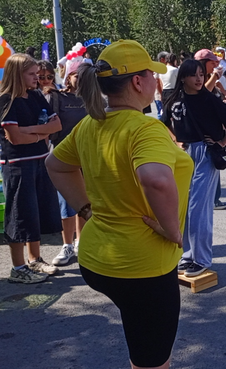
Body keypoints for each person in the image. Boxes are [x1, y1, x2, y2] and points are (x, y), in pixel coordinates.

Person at [46, 40, 191, 369]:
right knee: (152, 362)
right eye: (151, 74)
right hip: (143, 265)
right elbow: (155, 179)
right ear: (138, 82)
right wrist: (172, 230)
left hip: (99, 258)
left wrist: (85, 209)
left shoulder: (90, 124)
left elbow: (55, 165)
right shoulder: (145, 128)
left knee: (142, 345)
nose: (157, 80)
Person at [162, 59, 226, 277]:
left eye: (201, 74)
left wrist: (221, 143)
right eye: (194, 75)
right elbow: (164, 122)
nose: (199, 79)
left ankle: (201, 259)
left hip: (204, 154)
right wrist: (176, 140)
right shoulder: (174, 99)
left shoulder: (208, 98)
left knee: (199, 208)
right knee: (184, 207)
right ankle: (187, 256)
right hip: (182, 156)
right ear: (183, 78)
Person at [1, 54, 63, 283]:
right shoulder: (6, 100)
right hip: (18, 164)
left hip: (40, 160)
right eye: (32, 74)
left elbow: (56, 125)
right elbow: (14, 138)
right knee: (20, 215)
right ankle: (18, 268)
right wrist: (40, 133)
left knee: (36, 212)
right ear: (17, 74)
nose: (37, 78)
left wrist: (29, 131)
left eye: (38, 74)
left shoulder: (36, 95)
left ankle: (34, 259)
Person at [49, 61, 89, 267]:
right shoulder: (58, 97)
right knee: (66, 203)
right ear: (68, 77)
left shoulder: (90, 98)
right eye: (76, 75)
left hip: (86, 155)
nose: (80, 80)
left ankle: (81, 241)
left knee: (84, 200)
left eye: (83, 76)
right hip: (64, 156)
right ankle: (67, 245)